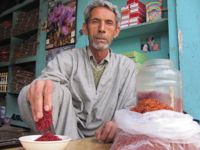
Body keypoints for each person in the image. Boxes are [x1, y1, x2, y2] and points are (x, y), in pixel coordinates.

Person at [18, 0, 137, 143]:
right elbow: (48, 83)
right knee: (36, 90)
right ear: (85, 28)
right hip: (67, 134)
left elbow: (131, 107)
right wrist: (39, 87)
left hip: (106, 139)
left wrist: (119, 124)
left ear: (116, 31)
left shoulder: (127, 67)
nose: (101, 28)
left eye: (109, 23)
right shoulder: (66, 59)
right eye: (95, 21)